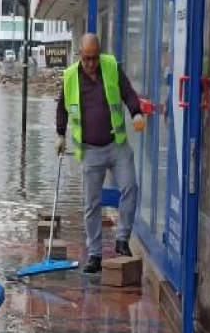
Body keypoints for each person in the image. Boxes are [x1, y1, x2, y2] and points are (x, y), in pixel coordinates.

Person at [56, 33, 145, 274]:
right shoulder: (70, 77)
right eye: (86, 59)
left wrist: (136, 113)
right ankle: (94, 255)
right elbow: (62, 108)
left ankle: (122, 239)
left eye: (94, 58)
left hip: (116, 144)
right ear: (80, 56)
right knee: (91, 204)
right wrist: (61, 135)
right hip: (90, 150)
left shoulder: (111, 67)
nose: (91, 64)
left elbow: (128, 93)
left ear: (100, 54)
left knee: (130, 187)